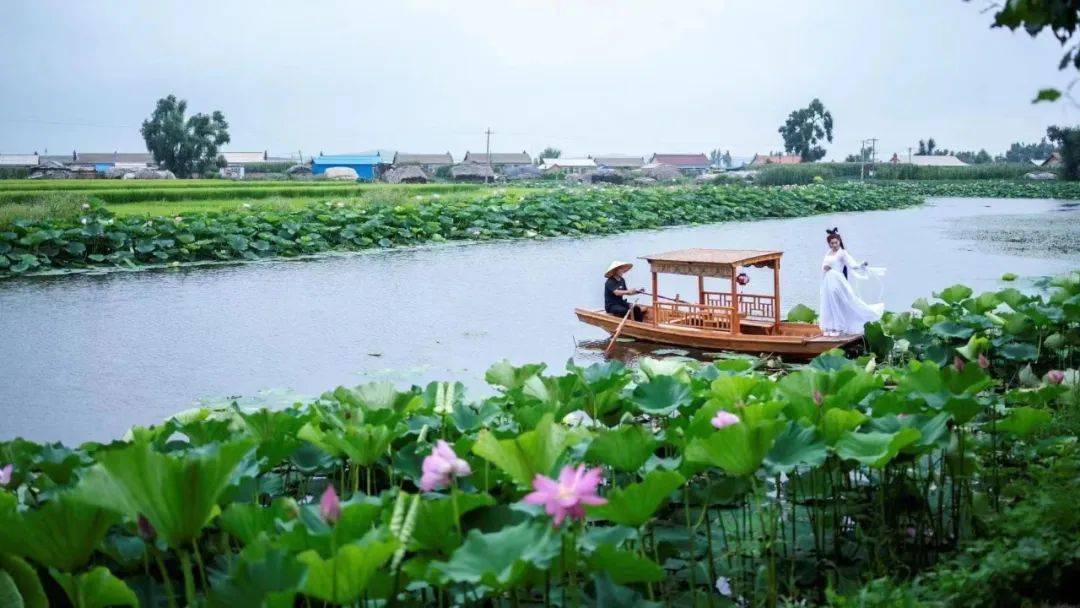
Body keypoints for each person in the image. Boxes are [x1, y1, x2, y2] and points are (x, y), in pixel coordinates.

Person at [819, 228, 884, 336]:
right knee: (828, 303)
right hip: (828, 280)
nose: (834, 245)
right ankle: (831, 326)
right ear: (829, 244)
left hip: (837, 280)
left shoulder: (842, 253)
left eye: (836, 242)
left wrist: (861, 265)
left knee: (839, 302)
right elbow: (823, 266)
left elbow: (852, 264)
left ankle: (839, 327)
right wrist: (825, 267)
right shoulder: (828, 253)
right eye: (832, 243)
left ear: (839, 242)